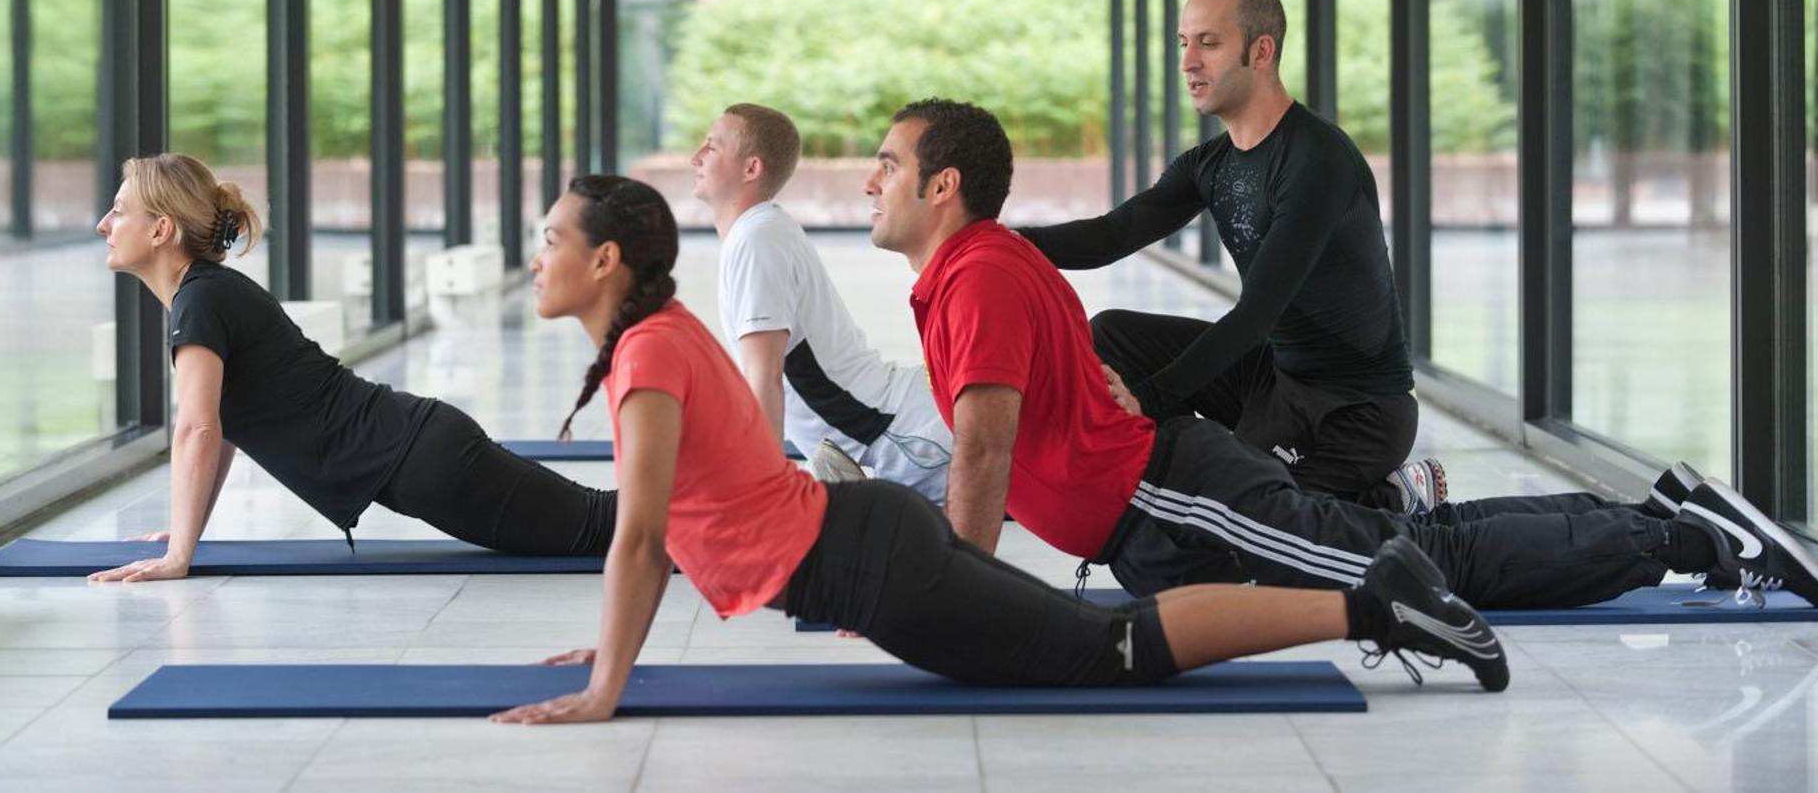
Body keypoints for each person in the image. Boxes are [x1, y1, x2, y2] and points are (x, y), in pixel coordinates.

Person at [489, 175, 1508, 726]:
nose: (538, 256)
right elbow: (676, 519)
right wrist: (611, 643)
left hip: (873, 560)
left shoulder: (650, 351)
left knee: (1103, 648)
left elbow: (636, 536)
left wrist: (605, 685)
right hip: (866, 547)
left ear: (605, 259)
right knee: (1093, 631)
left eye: (549, 238)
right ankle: (1380, 598)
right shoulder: (653, 343)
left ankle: (1381, 602)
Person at [866, 98, 1818, 614]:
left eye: (885, 165)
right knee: (1420, 542)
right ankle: (1658, 512)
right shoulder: (985, 262)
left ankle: (1690, 538)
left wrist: (957, 600)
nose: (870, 181)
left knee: (1418, 565)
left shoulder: (981, 272)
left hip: (1228, 470)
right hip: (1172, 494)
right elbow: (1102, 258)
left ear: (941, 185)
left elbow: (984, 450)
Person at [86, 153, 615, 583]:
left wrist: (178, 557)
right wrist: (185, 536)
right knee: (599, 522)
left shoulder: (201, 299)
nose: (103, 224)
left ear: (161, 230)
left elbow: (197, 429)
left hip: (423, 459)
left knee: (601, 527)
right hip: (419, 453)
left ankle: (697, 500)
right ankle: (695, 500)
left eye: (118, 211)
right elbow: (220, 428)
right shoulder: (204, 294)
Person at [1018, 0, 1438, 514]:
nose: (1188, 61)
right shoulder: (1210, 164)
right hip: (1277, 382)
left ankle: (1391, 495)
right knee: (1114, 335)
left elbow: (1255, 315)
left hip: (1353, 412)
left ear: (1261, 51)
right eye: (1183, 43)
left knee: (1237, 524)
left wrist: (1147, 399)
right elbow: (1111, 235)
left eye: (1208, 43)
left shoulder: (1316, 161)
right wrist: (991, 241)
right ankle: (1155, 472)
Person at [691, 103, 952, 498]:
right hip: (905, 423)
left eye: (711, 147)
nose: (696, 157)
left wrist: (757, 497)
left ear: (751, 168)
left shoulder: (756, 238)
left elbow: (764, 381)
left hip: (906, 440)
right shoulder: (762, 230)